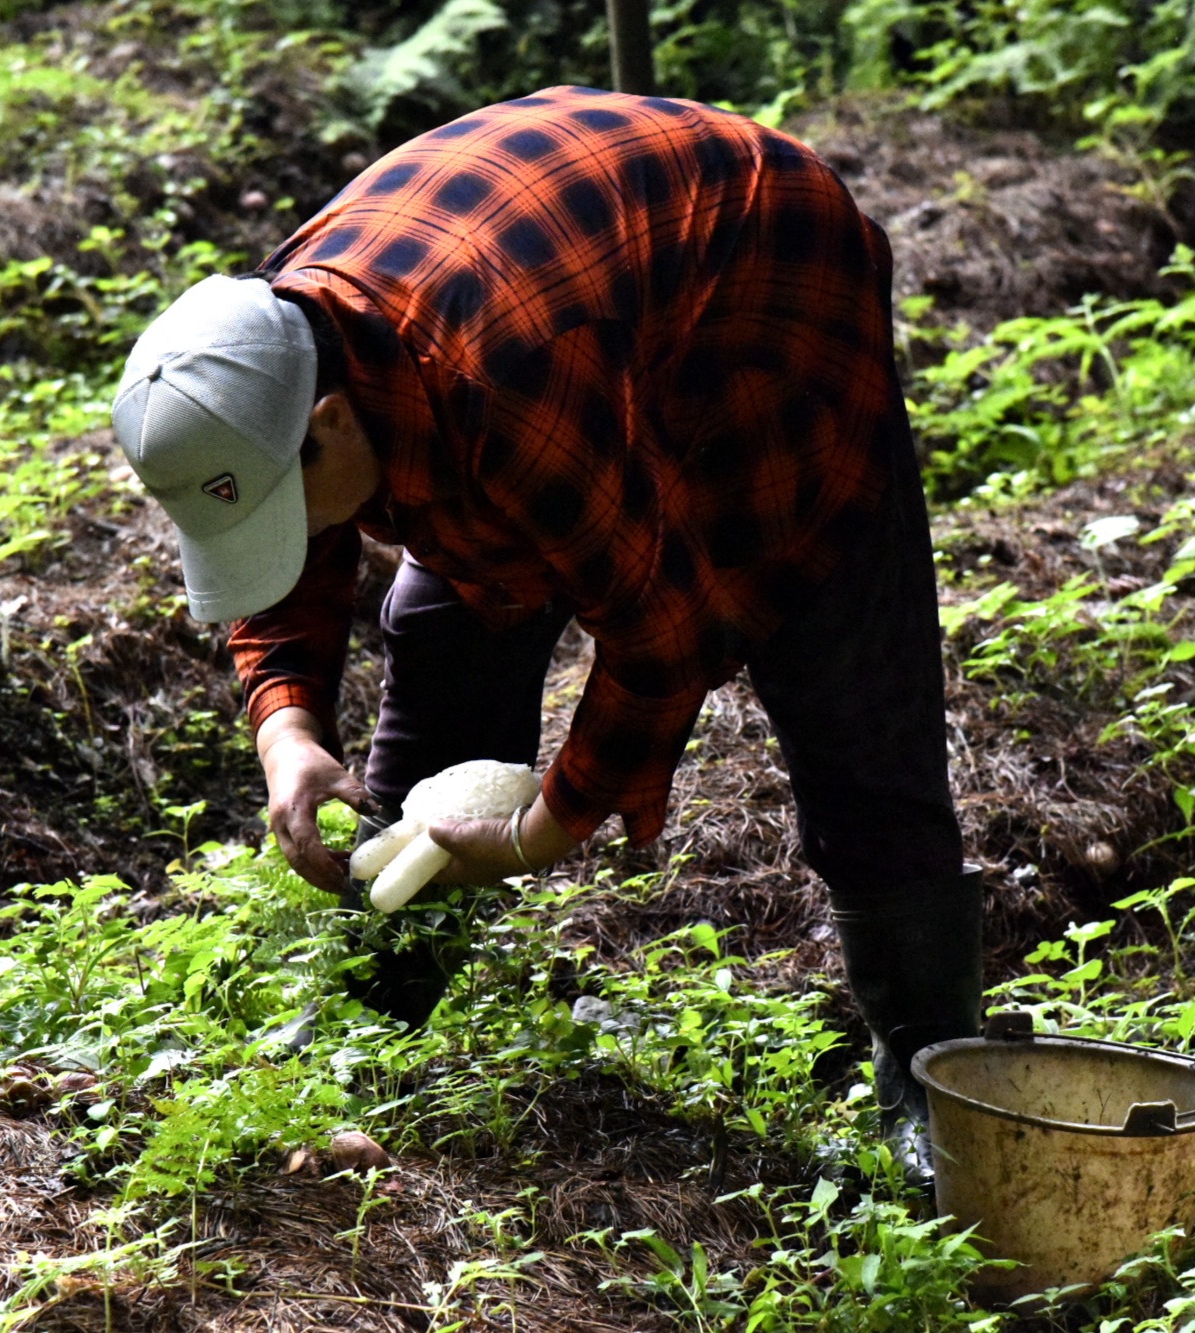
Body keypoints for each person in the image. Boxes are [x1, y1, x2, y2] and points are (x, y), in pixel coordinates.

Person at [110, 85, 981, 1169]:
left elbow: (655, 643)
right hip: (576, 282)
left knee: (839, 666)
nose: (282, 531)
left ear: (331, 427)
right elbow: (284, 541)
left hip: (766, 280)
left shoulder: (505, 384)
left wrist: (538, 833)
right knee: (445, 630)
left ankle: (932, 1064)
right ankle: (382, 1020)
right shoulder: (272, 356)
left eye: (288, 496)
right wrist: (285, 727)